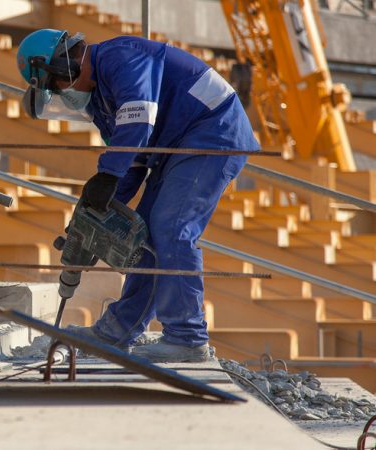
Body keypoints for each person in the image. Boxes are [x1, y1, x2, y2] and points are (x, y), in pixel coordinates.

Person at [16, 29, 260, 362]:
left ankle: (188, 339)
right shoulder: (101, 104)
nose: (62, 92)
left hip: (213, 131)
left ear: (62, 65)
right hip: (175, 147)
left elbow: (138, 123)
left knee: (171, 228)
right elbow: (132, 164)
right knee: (140, 232)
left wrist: (106, 178)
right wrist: (98, 208)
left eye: (54, 84)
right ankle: (115, 333)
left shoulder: (119, 57)